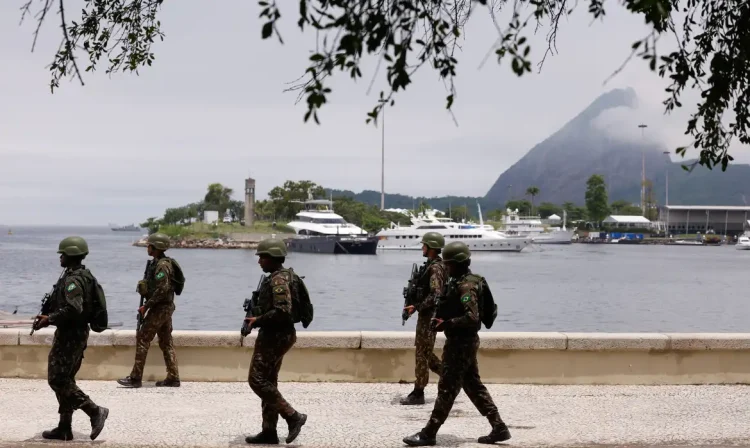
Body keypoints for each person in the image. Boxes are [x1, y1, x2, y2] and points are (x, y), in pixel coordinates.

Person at [403, 241, 510, 446]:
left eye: (450, 264)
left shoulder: (465, 286)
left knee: (446, 388)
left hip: (460, 344)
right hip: (465, 342)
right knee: (473, 385)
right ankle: (499, 427)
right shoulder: (465, 280)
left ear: (458, 264)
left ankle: (429, 433)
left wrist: (447, 323)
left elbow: (472, 318)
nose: (447, 268)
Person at [33, 236, 109, 441]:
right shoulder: (80, 275)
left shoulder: (73, 280)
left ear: (71, 255)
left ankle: (95, 411)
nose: (60, 257)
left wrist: (50, 319)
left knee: (57, 379)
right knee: (66, 379)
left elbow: (74, 309)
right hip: (75, 333)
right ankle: (64, 427)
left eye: (63, 254)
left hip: (70, 335)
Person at [243, 238, 307, 444]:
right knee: (269, 381)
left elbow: (282, 310)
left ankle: (293, 416)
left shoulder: (278, 280)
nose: (259, 261)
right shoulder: (281, 277)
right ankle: (269, 431)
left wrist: (257, 320)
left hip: (276, 335)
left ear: (272, 258)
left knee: (257, 380)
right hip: (277, 334)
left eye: (262, 257)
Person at [118, 233, 180, 388]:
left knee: (143, 339)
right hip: (164, 308)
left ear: (156, 248)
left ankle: (135, 378)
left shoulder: (162, 266)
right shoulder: (157, 263)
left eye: (149, 245)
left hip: (159, 308)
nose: (148, 247)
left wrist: (147, 305)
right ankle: (173, 377)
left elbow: (163, 289)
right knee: (166, 342)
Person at [401, 231, 447, 405]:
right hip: (427, 316)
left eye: (424, 245)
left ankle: (418, 392)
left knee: (422, 354)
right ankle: (452, 378)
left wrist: (417, 306)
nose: (422, 248)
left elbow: (436, 294)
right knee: (425, 354)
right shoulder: (432, 265)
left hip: (430, 317)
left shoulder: (435, 268)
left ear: (431, 248)